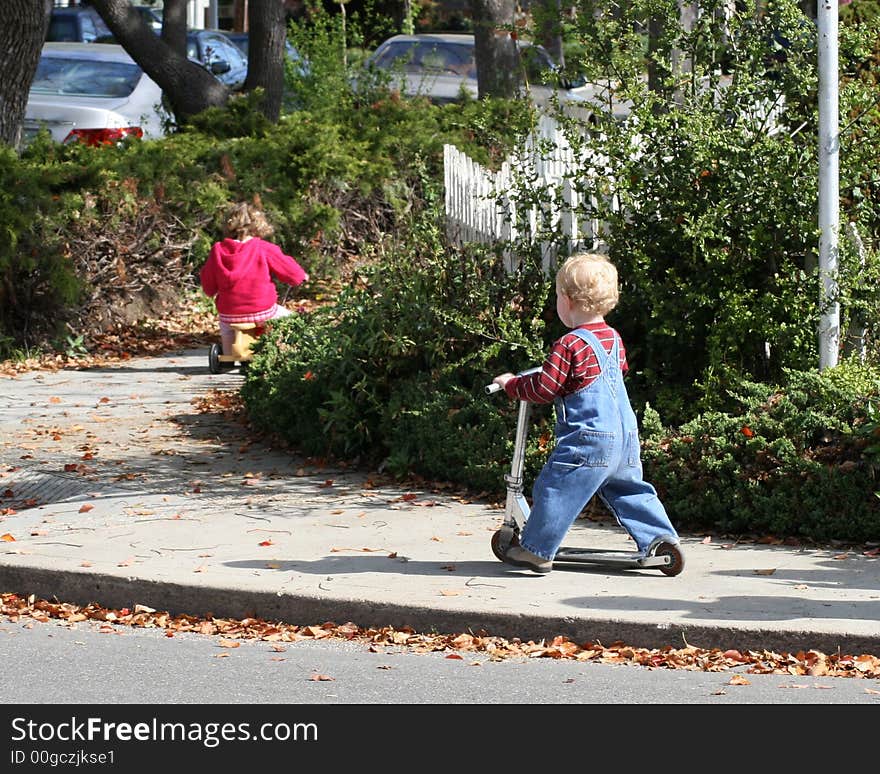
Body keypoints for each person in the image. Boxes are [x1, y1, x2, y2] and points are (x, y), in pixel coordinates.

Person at [491, 252, 680, 574]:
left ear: (566, 300)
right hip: (625, 437)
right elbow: (607, 375)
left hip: (589, 439)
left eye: (556, 297)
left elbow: (545, 387)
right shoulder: (613, 339)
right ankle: (661, 540)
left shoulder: (569, 344)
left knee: (556, 488)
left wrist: (512, 385)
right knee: (629, 489)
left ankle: (537, 549)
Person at [200, 201, 309, 353]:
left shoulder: (217, 251)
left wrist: (211, 290)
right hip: (262, 311)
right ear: (259, 225)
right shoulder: (264, 248)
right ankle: (284, 350)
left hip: (229, 314)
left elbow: (209, 287)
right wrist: (301, 276)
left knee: (226, 328)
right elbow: (290, 271)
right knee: (291, 320)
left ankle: (227, 355)